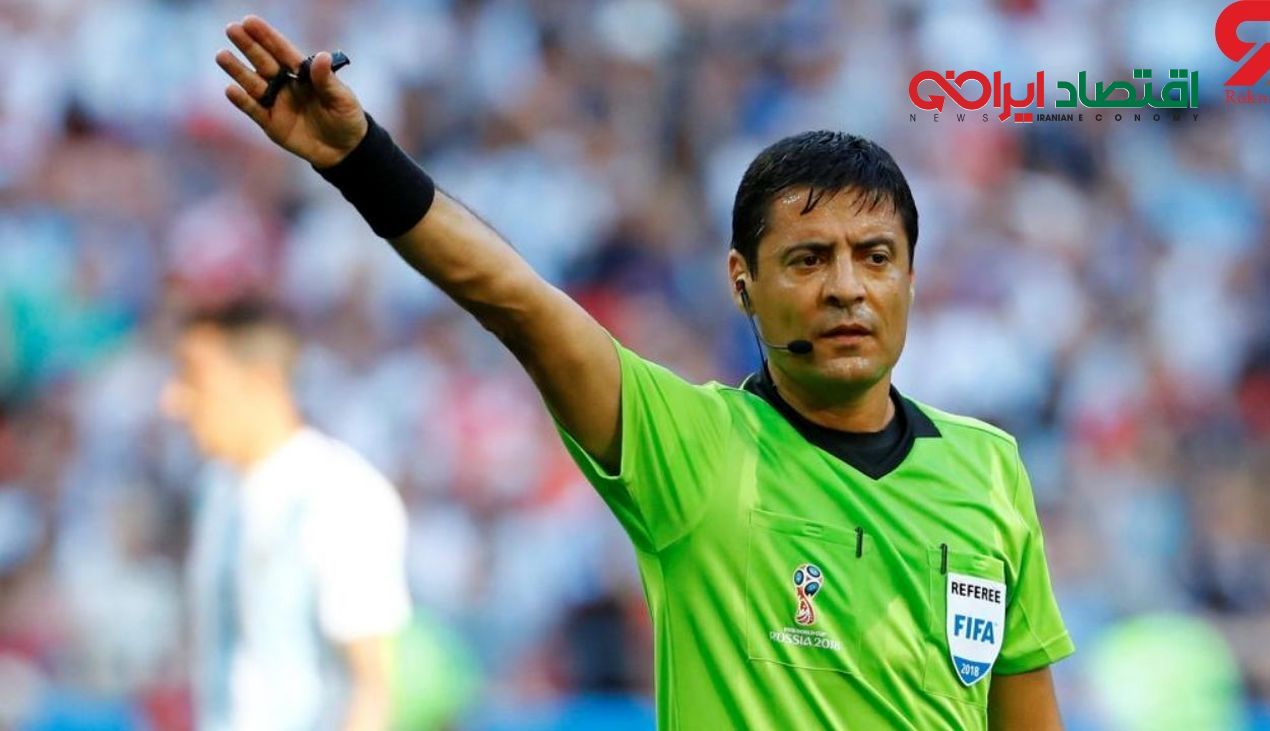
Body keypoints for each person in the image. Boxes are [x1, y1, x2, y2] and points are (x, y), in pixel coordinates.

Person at [214, 15, 1074, 729]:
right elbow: (517, 301)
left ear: (911, 278)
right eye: (809, 259)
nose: (847, 287)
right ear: (743, 282)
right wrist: (359, 160)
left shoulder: (988, 468)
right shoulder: (693, 447)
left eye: (875, 256)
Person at [160, 299, 411, 731]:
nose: (174, 401)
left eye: (194, 378)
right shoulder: (216, 489)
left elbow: (371, 688)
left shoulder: (340, 496)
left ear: (262, 381)